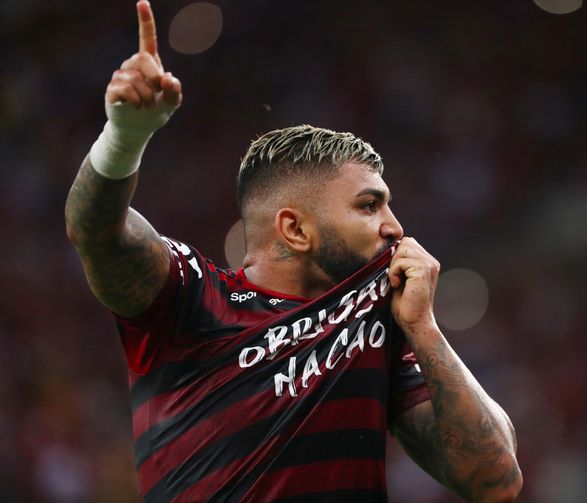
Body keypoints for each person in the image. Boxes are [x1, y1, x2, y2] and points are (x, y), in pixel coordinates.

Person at [64, 1, 522, 501]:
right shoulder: (194, 298)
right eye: (369, 206)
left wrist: (425, 331)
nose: (395, 227)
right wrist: (124, 137)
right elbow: (97, 231)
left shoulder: (380, 328)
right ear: (295, 229)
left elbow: (494, 481)